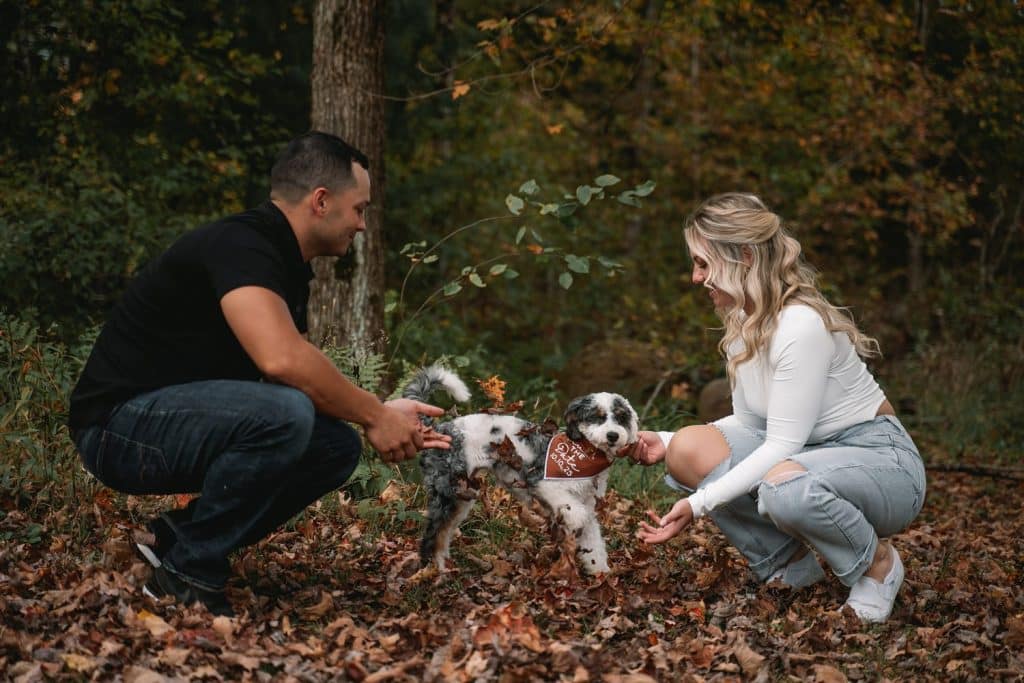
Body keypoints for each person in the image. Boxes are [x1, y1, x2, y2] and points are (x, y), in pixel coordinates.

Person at [68, 131, 451, 617]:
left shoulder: (283, 265)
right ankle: (186, 575)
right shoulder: (243, 243)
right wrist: (374, 413)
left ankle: (179, 540)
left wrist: (378, 415)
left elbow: (283, 381)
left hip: (165, 423)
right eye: (359, 209)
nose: (361, 225)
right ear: (320, 201)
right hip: (116, 429)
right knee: (289, 413)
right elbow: (282, 361)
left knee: (333, 446)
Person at [626, 192, 926, 623]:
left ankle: (878, 566)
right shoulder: (740, 329)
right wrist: (669, 440)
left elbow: (782, 441)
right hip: (806, 458)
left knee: (783, 487)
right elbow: (751, 425)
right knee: (690, 448)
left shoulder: (800, 324)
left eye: (703, 263)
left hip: (883, 462)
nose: (695, 278)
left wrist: (699, 504)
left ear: (745, 257)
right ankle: (788, 566)